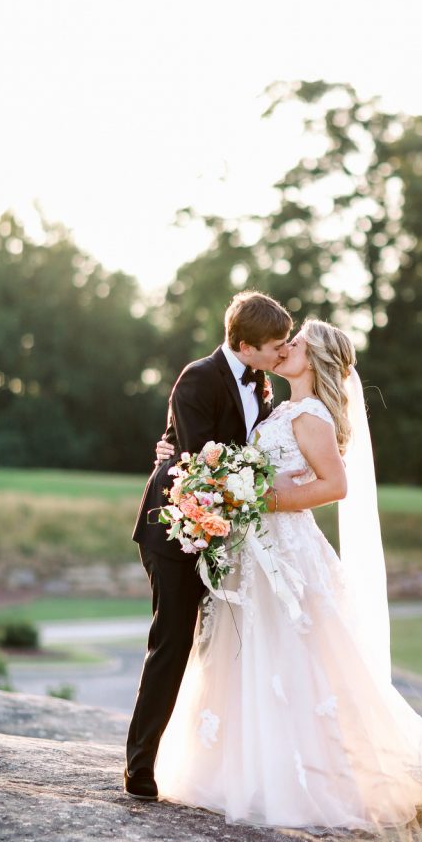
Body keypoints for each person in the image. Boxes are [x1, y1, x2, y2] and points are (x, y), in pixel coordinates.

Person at [151, 319, 422, 833]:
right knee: (251, 657)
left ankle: (303, 782)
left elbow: (335, 485)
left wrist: (261, 498)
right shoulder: (276, 406)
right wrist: (175, 453)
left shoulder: (311, 415)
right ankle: (240, 770)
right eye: (283, 342)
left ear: (317, 359)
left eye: (297, 343)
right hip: (255, 551)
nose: (286, 348)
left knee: (294, 659)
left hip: (287, 549)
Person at [124, 291, 292, 800]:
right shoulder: (198, 376)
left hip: (222, 532)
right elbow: (196, 461)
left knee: (219, 647)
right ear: (244, 345)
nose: (283, 353)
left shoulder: (260, 383)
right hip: (174, 529)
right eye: (275, 346)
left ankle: (210, 765)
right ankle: (140, 766)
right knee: (171, 643)